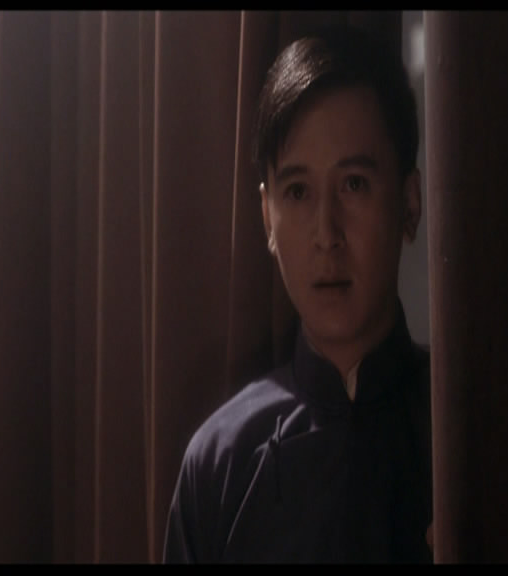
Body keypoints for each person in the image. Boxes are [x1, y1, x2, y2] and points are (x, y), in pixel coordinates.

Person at [163, 25, 432, 563]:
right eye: (299, 192)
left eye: (354, 184)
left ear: (409, 203)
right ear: (267, 217)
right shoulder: (221, 461)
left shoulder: (472, 433)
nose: (326, 234)